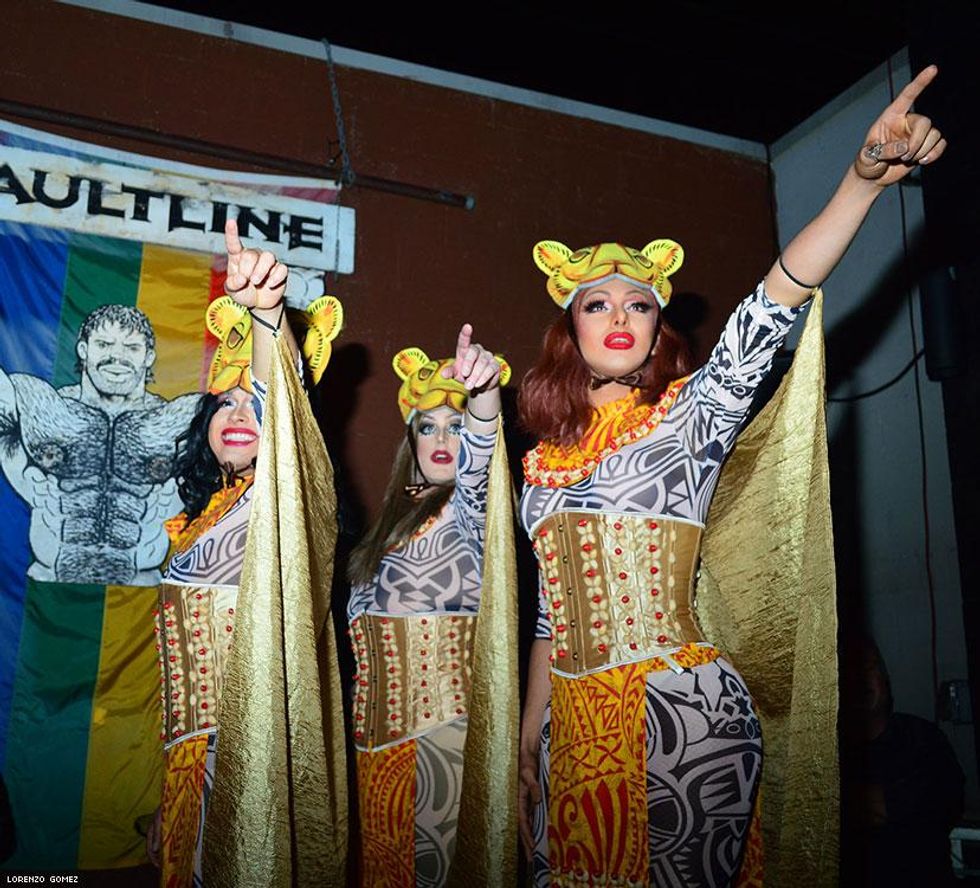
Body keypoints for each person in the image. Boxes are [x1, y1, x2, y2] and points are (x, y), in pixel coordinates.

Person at [516, 67, 947, 887]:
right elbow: (547, 615)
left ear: (657, 324)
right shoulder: (539, 464)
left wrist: (858, 183)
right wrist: (528, 732)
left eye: (637, 304)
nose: (617, 316)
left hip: (681, 711)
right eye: (596, 304)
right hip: (570, 724)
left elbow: (777, 298)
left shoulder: (693, 414)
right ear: (569, 328)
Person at [148, 220, 342, 886]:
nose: (238, 412)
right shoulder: (205, 516)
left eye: (250, 403)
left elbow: (279, 399)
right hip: (190, 756)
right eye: (223, 402)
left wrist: (265, 316)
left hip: (250, 757)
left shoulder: (278, 499)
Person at [346, 330, 507, 886]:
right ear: (409, 438)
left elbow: (481, 467)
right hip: (372, 751)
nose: (444, 438)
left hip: (445, 741)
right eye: (428, 426)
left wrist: (483, 399)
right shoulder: (382, 532)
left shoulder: (469, 515)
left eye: (456, 427)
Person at [0, 303, 199, 585]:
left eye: (131, 347)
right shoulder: (34, 408)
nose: (116, 356)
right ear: (83, 350)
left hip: (138, 602)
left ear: (148, 357)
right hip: (44, 597)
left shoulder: (181, 423)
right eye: (104, 344)